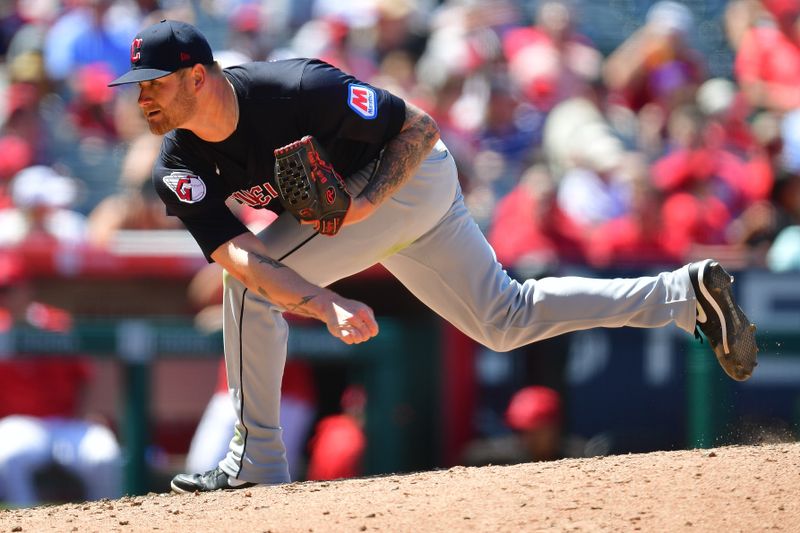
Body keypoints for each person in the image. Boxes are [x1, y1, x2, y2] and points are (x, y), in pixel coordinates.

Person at [107, 20, 758, 493]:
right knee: (504, 318)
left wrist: (361, 203)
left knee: (255, 293)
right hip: (374, 217)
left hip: (411, 179)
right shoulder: (177, 163)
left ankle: (258, 460)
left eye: (153, 84)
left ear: (198, 74)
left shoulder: (297, 88)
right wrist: (324, 297)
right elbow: (237, 256)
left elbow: (420, 127)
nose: (142, 100)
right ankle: (681, 295)